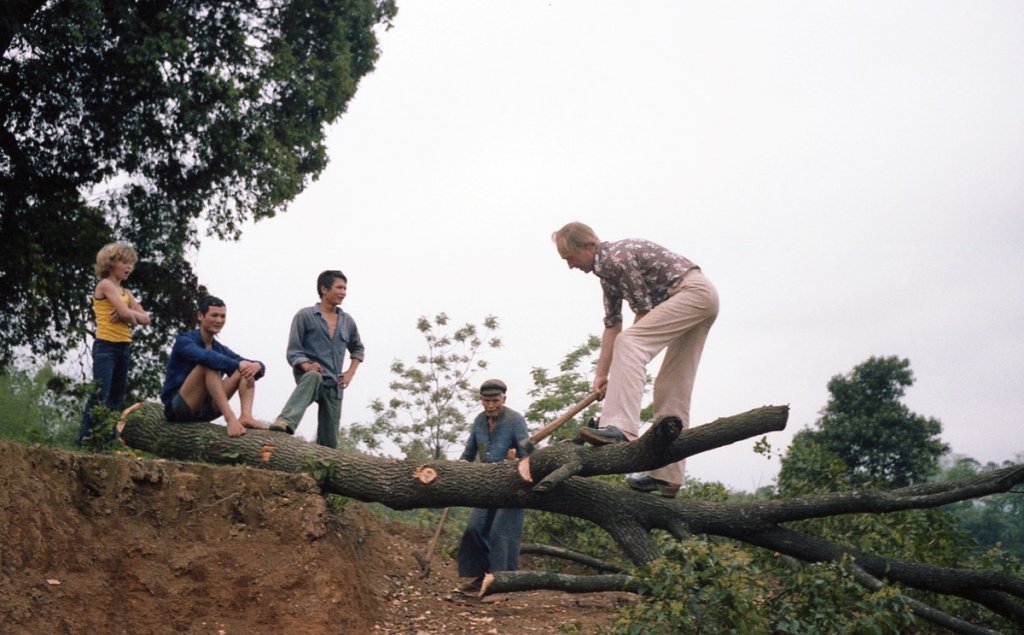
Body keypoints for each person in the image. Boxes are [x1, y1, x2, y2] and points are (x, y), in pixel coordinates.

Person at [553, 221, 719, 498]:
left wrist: (625, 366)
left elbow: (640, 317)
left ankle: (620, 426)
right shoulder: (606, 275)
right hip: (699, 299)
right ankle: (668, 476)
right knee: (671, 386)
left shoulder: (618, 258)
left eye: (569, 258)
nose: (570, 266)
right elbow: (612, 325)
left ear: (587, 246)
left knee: (630, 343)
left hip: (692, 294)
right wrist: (601, 375)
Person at [270, 270, 364, 448]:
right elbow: (293, 350)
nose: (343, 292)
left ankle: (322, 469)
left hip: (335, 384)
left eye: (345, 288)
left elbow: (358, 348)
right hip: (310, 377)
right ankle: (285, 421)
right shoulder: (304, 316)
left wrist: (351, 372)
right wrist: (306, 366)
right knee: (314, 377)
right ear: (324, 289)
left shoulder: (347, 321)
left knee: (329, 444)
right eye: (339, 287)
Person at [456, 379, 531, 595]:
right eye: (486, 401)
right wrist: (453, 470)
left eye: (495, 401)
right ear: (481, 401)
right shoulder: (479, 421)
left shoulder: (515, 420)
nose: (491, 406)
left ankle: (502, 584)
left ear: (503, 399)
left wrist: (516, 460)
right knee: (475, 529)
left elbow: (528, 453)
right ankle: (481, 577)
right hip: (485, 486)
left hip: (511, 487)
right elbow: (469, 453)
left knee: (501, 533)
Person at [160, 295, 269, 437]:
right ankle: (230, 419)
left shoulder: (219, 348)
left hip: (207, 409)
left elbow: (243, 363)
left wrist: (258, 365)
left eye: (223, 316)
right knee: (209, 364)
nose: (219, 320)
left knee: (244, 368)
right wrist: (237, 364)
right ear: (200, 316)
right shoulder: (185, 341)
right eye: (214, 315)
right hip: (180, 408)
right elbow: (206, 357)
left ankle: (246, 416)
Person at [79, 242, 151, 446]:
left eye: (131, 263)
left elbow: (145, 319)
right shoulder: (105, 285)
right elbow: (130, 314)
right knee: (100, 395)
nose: (128, 267)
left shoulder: (126, 293)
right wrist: (130, 315)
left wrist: (130, 316)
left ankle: (106, 441)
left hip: (124, 346)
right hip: (106, 347)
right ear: (110, 263)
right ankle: (86, 440)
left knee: (116, 398)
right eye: (124, 262)